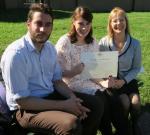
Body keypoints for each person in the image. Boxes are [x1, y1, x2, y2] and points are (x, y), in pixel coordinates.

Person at [0, 3, 104, 135]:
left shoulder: (49, 48)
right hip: (26, 110)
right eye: (38, 23)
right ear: (28, 24)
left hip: (51, 95)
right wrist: (64, 105)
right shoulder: (16, 55)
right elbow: (22, 101)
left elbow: (57, 81)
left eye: (48, 24)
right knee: (71, 124)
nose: (43, 29)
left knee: (96, 105)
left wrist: (73, 99)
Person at [55, 6, 113, 135]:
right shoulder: (65, 42)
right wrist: (73, 72)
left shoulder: (92, 42)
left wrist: (103, 82)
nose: (84, 28)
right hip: (70, 85)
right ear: (73, 22)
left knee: (108, 99)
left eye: (88, 24)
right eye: (80, 23)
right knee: (99, 102)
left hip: (90, 82)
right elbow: (57, 75)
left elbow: (94, 71)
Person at [98, 7, 142, 135]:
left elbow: (136, 68)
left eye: (121, 20)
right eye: (115, 21)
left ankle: (135, 123)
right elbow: (101, 67)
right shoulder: (103, 43)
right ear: (110, 24)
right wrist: (109, 80)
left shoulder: (135, 44)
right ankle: (123, 126)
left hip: (128, 80)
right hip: (112, 82)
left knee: (136, 103)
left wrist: (124, 80)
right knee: (125, 102)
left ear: (126, 22)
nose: (119, 24)